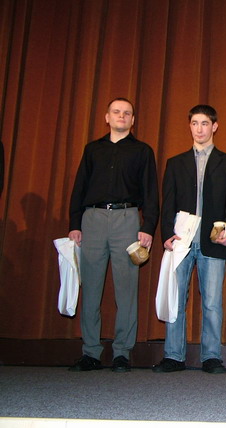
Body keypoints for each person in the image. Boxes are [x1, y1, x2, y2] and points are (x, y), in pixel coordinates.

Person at [68, 97, 159, 372]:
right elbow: (79, 188)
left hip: (127, 219)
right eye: (116, 112)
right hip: (93, 220)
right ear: (107, 117)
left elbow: (151, 192)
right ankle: (91, 352)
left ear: (133, 120)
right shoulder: (92, 149)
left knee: (127, 289)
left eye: (127, 113)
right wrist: (75, 224)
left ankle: (122, 352)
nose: (121, 116)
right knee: (91, 288)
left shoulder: (142, 151)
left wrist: (147, 227)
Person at [153, 105, 226, 374]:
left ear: (214, 126)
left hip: (212, 241)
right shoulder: (175, 163)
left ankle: (211, 356)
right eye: (195, 123)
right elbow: (167, 203)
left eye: (205, 123)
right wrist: (166, 235)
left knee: (212, 302)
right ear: (189, 126)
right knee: (176, 299)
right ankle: (173, 355)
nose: (199, 129)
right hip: (181, 241)